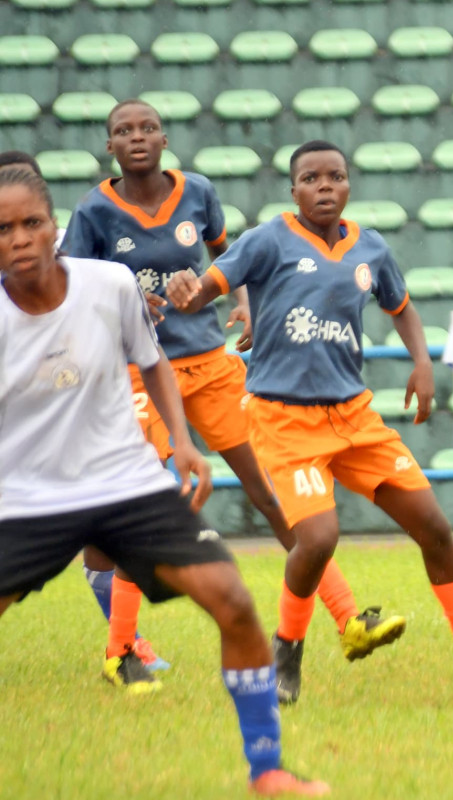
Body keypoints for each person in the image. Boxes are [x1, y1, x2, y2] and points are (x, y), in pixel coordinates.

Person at [166, 139, 453, 704]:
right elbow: (207, 292)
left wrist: (421, 362)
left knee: (434, 529)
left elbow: (402, 307)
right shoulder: (267, 241)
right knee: (317, 538)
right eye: (312, 179)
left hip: (354, 416)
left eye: (336, 177)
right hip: (284, 418)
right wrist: (187, 292)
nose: (325, 187)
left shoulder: (369, 247)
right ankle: (286, 657)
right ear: (292, 190)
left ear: (349, 185)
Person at [0, 166, 329, 795]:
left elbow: (152, 363)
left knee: (233, 603)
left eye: (31, 223)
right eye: (3, 229)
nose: (18, 238)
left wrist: (181, 444)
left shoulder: (109, 284)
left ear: (54, 228)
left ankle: (268, 772)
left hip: (127, 486)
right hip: (29, 499)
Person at [63, 101, 403, 691]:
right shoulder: (94, 210)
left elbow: (228, 255)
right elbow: (70, 284)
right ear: (109, 145)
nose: (137, 137)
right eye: (124, 131)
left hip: (213, 366)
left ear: (165, 138)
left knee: (274, 493)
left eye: (147, 128)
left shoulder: (197, 192)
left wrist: (241, 300)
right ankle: (121, 650)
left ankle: (348, 620)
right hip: (142, 372)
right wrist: (118, 306)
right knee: (152, 500)